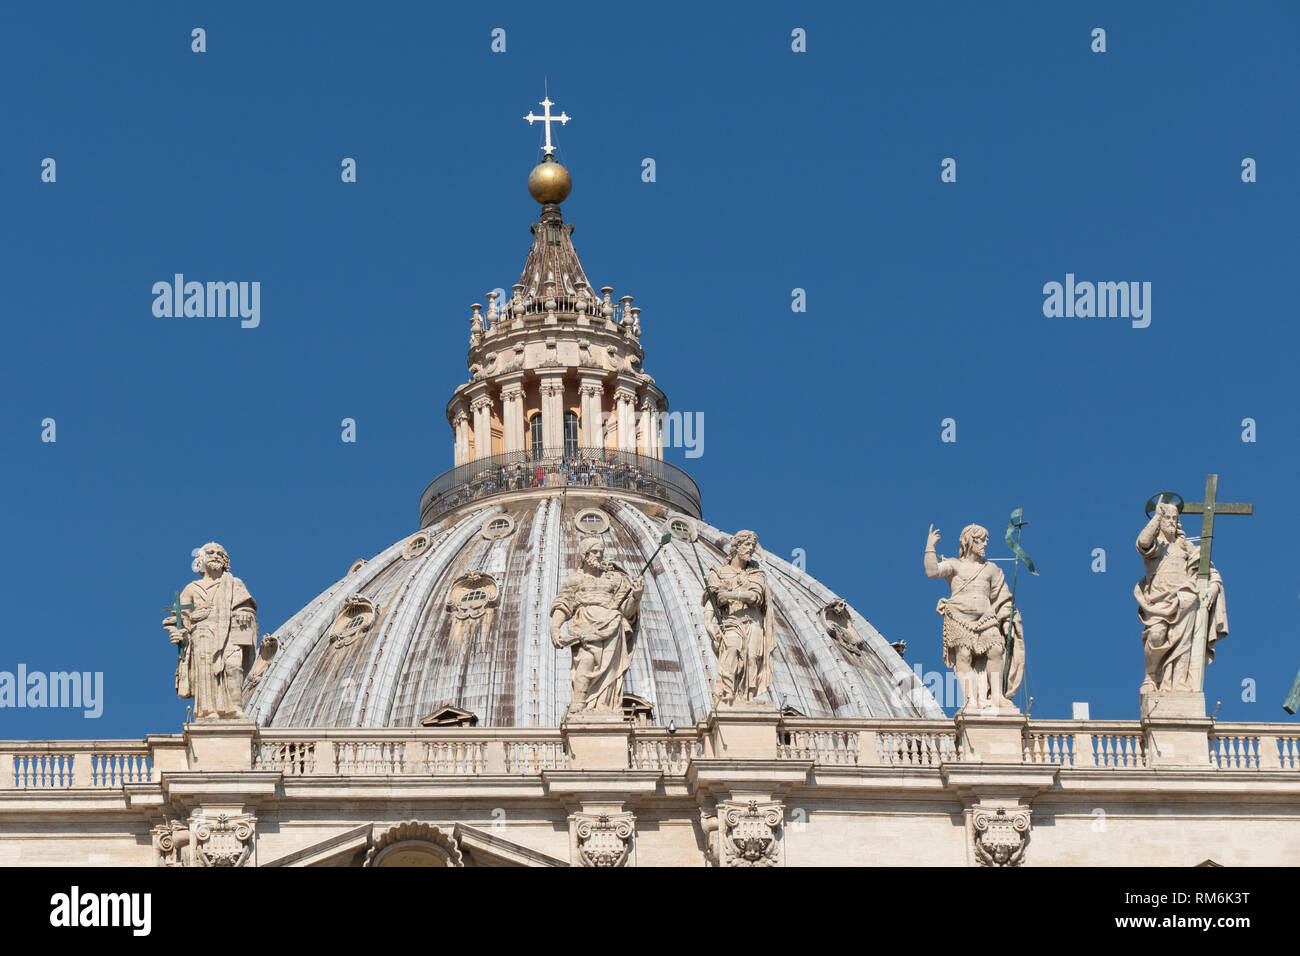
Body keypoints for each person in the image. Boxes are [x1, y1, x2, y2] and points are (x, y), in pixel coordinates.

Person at [924, 523, 1019, 712]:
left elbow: (1002, 597)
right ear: (969, 541)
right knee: (964, 656)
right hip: (959, 617)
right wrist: (930, 546)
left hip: (986, 618)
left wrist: (1008, 618)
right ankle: (971, 700)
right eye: (981, 541)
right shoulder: (954, 565)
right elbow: (932, 571)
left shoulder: (991, 569)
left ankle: (997, 697)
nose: (984, 545)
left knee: (995, 651)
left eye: (986, 541)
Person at [1135, 499, 1227, 694]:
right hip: (1158, 602)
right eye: (1167, 517)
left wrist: (1212, 589)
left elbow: (1210, 572)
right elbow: (1143, 541)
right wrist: (1157, 516)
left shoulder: (1185, 547)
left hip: (1186, 602)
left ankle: (1179, 684)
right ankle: (1151, 677)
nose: (1171, 521)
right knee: (1156, 635)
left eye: (1174, 518)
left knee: (1185, 644)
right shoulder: (1156, 547)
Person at [162, 542, 259, 720]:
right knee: (205, 671)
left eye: (219, 553)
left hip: (230, 631)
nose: (215, 555)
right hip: (202, 633)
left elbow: (247, 608)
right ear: (201, 560)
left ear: (225, 560)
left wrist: (244, 613)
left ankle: (235, 707)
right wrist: (179, 632)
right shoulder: (192, 588)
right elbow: (179, 618)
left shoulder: (234, 584)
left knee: (233, 666)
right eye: (211, 552)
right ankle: (208, 712)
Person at [550, 537, 644, 713]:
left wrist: (636, 596)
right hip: (585, 626)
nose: (598, 555)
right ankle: (580, 702)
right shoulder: (575, 580)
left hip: (612, 626)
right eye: (594, 552)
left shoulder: (614, 579)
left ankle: (603, 706)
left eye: (600, 552)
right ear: (585, 555)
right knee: (586, 662)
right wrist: (555, 627)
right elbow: (564, 605)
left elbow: (626, 610)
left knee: (610, 671)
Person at [704, 530, 776, 704]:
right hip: (731, 622)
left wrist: (730, 595)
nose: (750, 549)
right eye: (747, 545)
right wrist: (708, 623)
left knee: (752, 658)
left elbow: (755, 597)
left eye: (752, 546)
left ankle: (747, 697)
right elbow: (712, 600)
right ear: (736, 547)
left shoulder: (756, 574)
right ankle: (729, 692)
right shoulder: (718, 573)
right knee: (732, 649)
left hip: (752, 622)